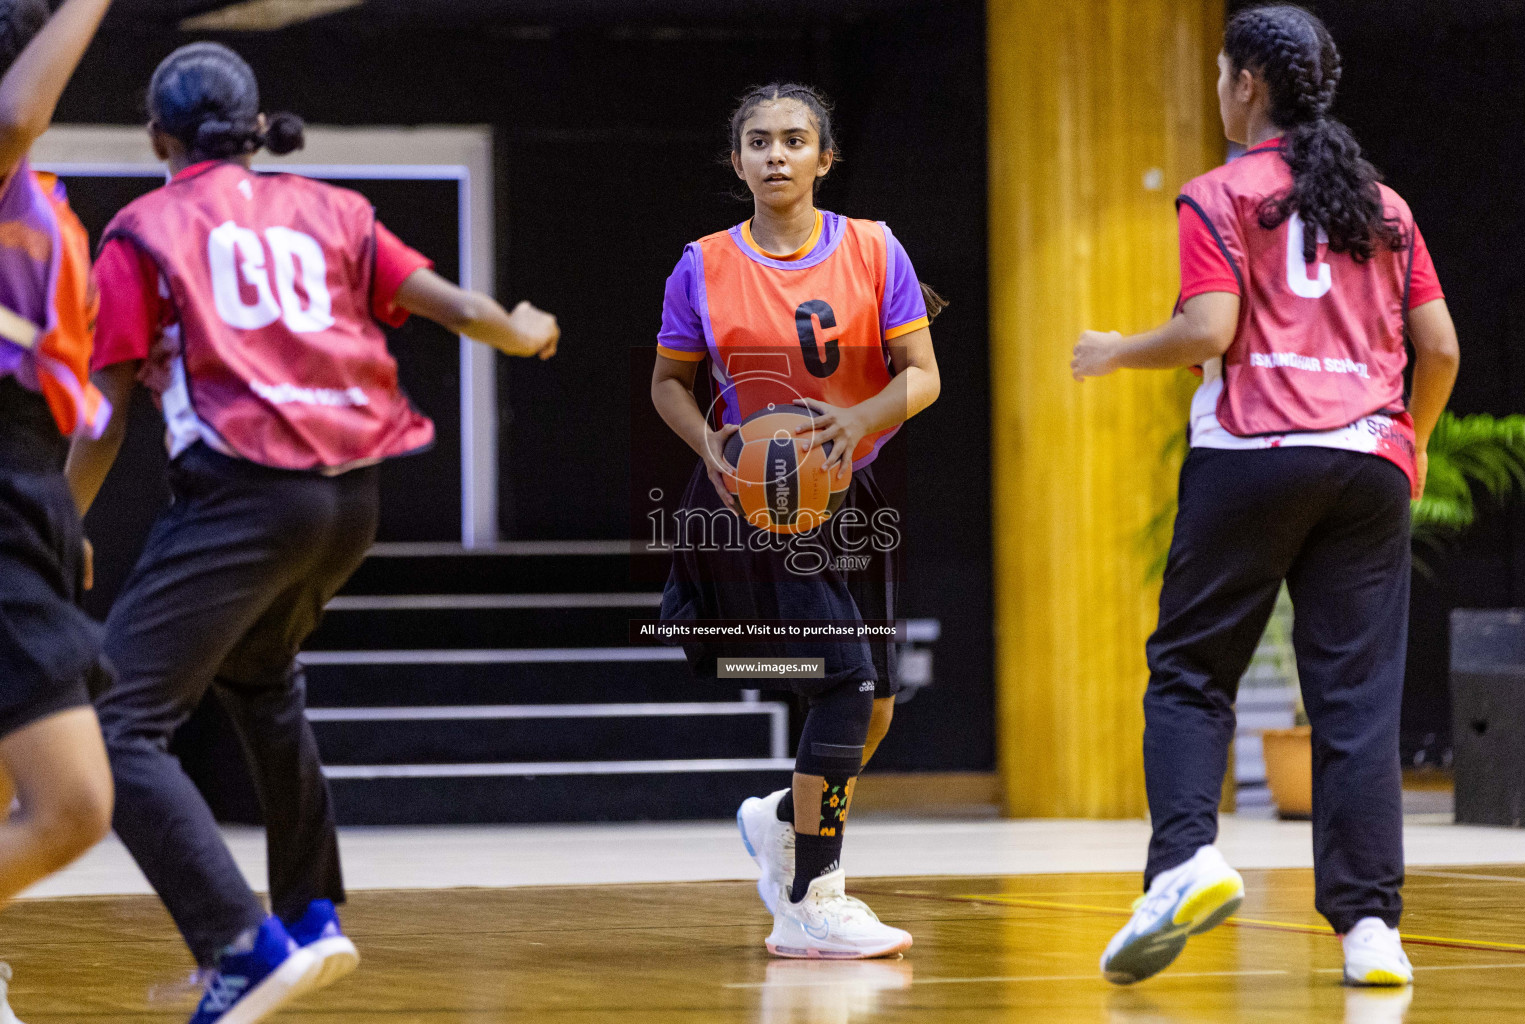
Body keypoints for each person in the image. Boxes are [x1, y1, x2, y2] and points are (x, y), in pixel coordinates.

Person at [64, 42, 560, 1024]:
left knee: (116, 726)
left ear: (158, 137)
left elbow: (107, 409)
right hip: (350, 499)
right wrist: (520, 329)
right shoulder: (333, 208)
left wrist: (51, 523)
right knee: (259, 679)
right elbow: (456, 307)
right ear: (252, 128)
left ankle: (238, 946)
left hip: (247, 496)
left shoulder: (145, 227)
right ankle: (312, 912)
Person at [1071, 4, 1460, 989]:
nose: (1216, 91)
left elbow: (1209, 328)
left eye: (1218, 75)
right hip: (1369, 463)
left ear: (1248, 84)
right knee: (1358, 705)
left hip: (1253, 451)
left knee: (1192, 671)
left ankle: (1184, 861)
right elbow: (1442, 348)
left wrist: (1118, 351)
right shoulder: (1388, 205)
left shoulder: (1220, 193)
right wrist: (1406, 437)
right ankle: (1370, 928)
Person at [651, 82, 942, 959]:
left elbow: (922, 375)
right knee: (844, 683)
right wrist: (709, 441)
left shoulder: (874, 249)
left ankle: (781, 816)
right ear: (735, 161)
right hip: (755, 503)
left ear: (825, 158)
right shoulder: (700, 263)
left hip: (853, 496)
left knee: (877, 704)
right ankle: (816, 896)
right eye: (757, 140)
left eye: (794, 139)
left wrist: (859, 420)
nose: (776, 154)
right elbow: (667, 383)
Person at [0, 0, 119, 1019]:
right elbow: (11, 114)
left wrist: (60, 518)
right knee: (74, 803)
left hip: (25, 501)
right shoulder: (8, 162)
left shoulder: (44, 208)